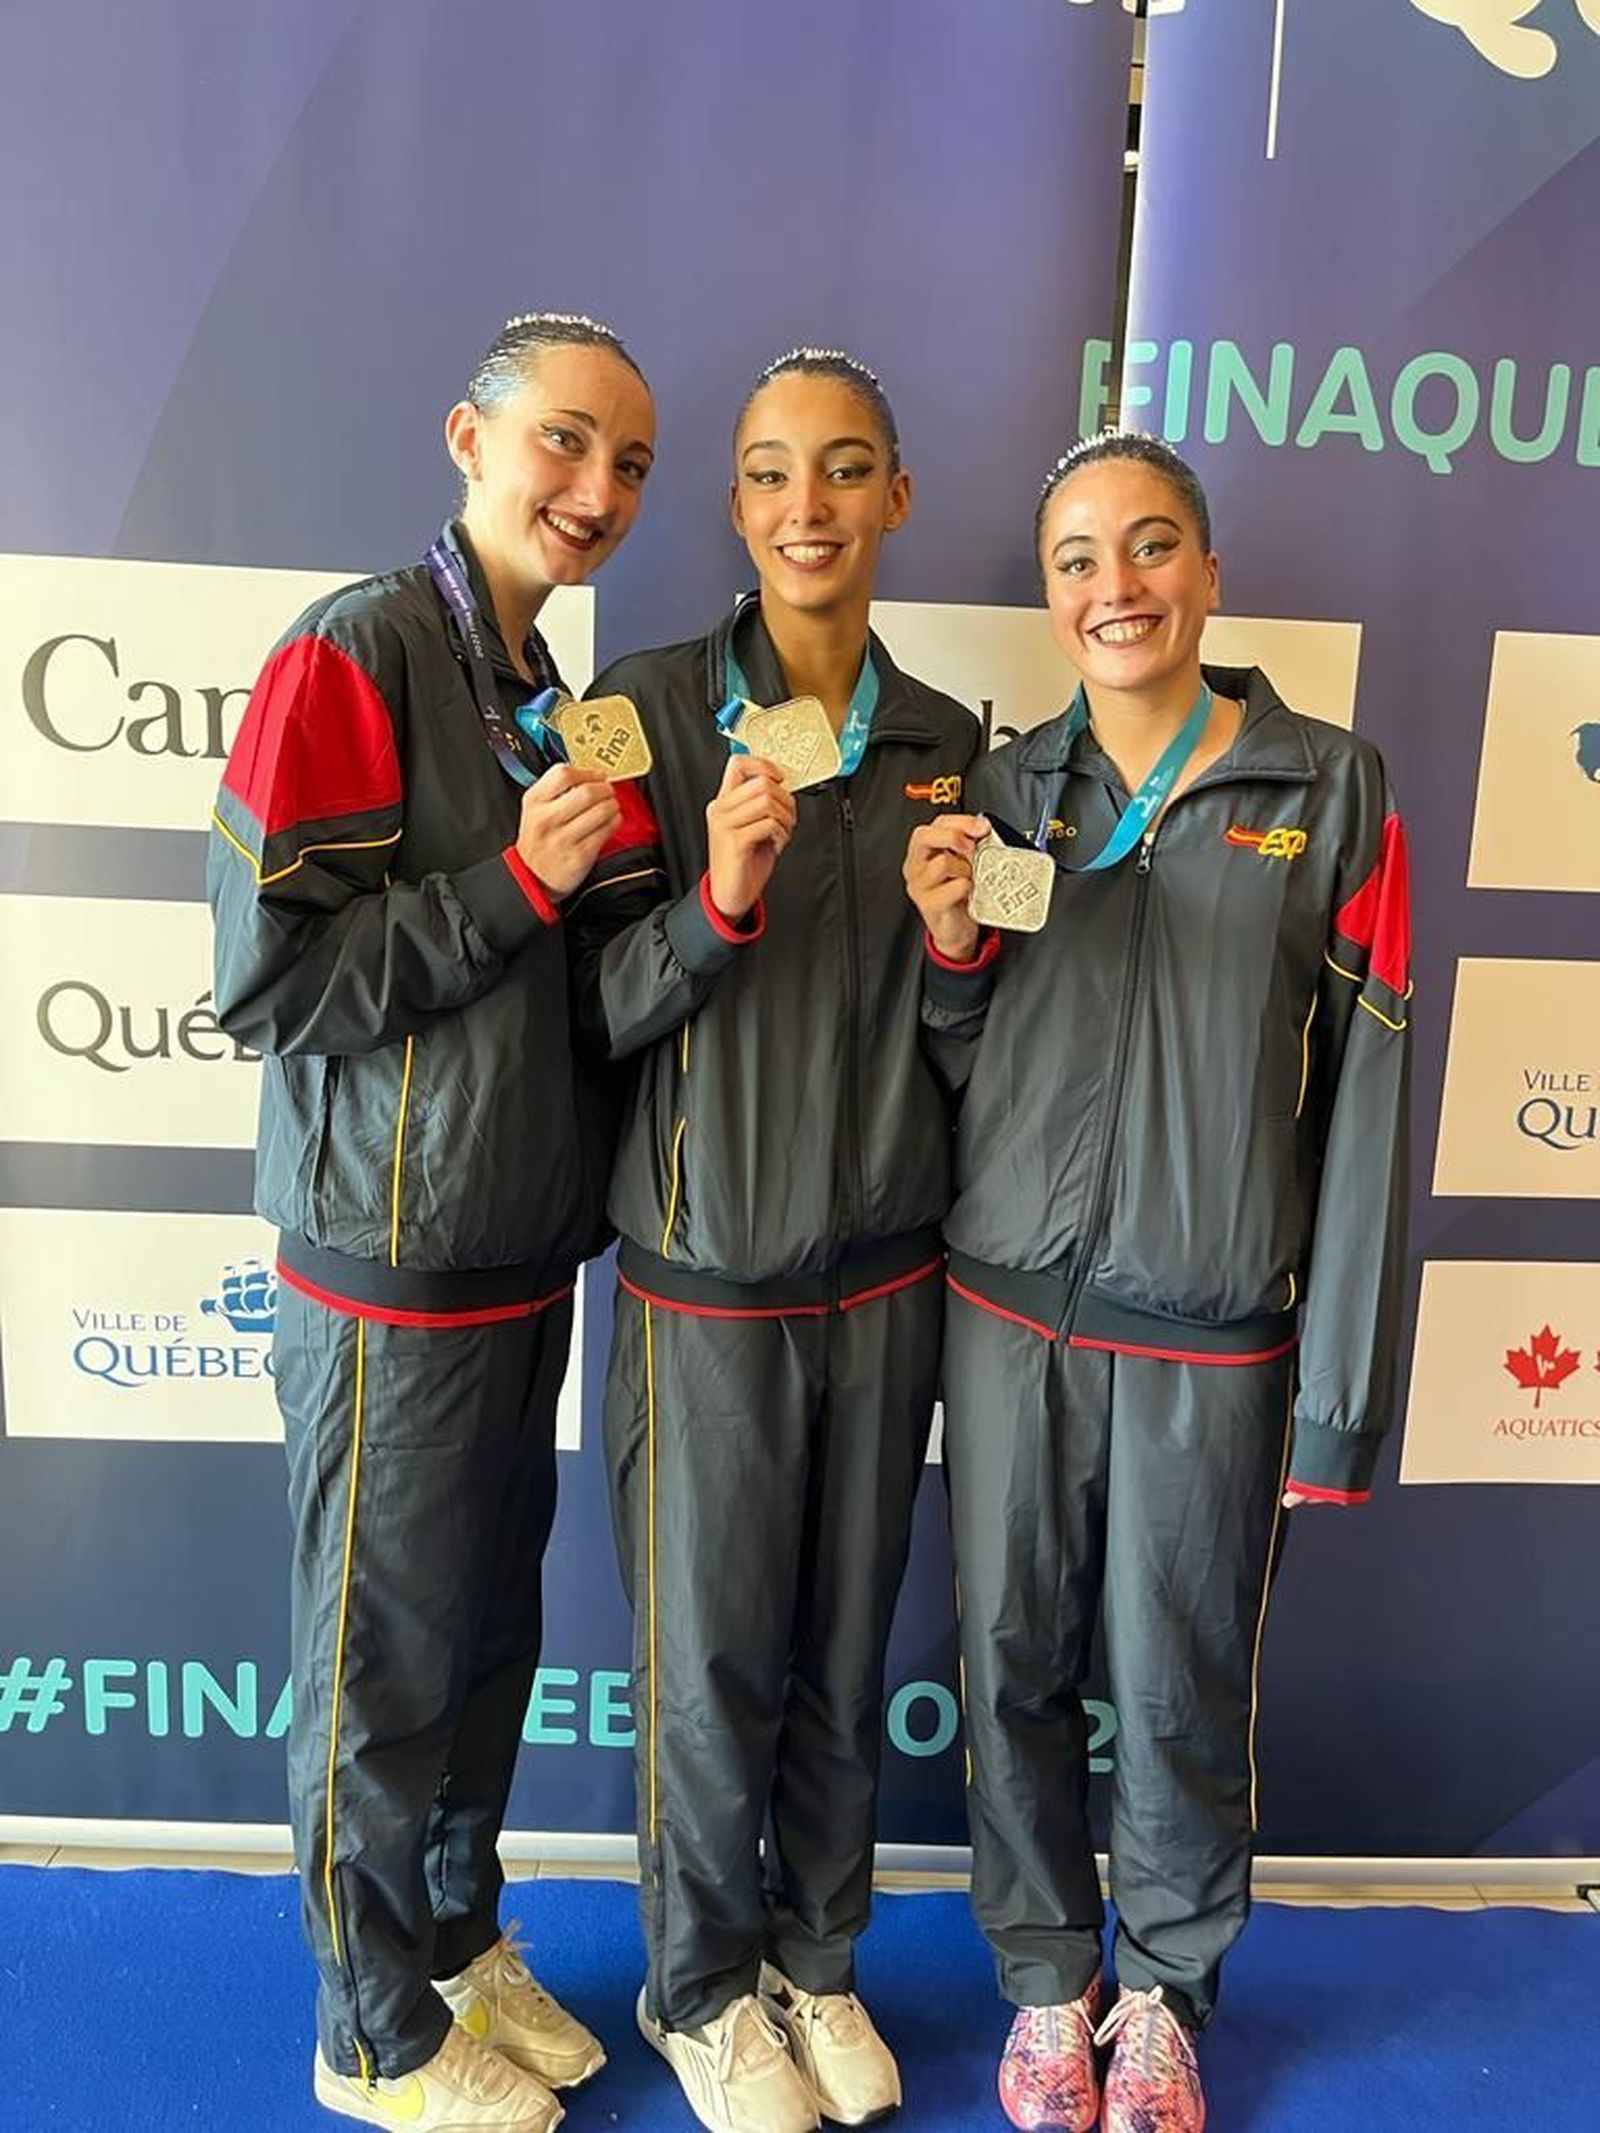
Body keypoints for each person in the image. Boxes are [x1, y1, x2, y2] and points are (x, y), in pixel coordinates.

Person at [904, 430, 1411, 2133]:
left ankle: (1170, 1996)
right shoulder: (1000, 792)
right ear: (1048, 593)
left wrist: (1332, 1394)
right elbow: (956, 1056)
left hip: (1211, 1334)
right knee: (1011, 1659)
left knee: (1182, 1683)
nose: (1110, 586)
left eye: (1146, 550)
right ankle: (1053, 1986)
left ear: (1205, 572)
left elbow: (1368, 1109)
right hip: (1005, 1316)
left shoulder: (1330, 789)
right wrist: (957, 955)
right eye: (1073, 560)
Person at [208, 312, 659, 2133]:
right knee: (377, 1666)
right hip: (386, 1268)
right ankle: (370, 2027)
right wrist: (513, 885)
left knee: (481, 1647)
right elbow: (268, 980)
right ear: (467, 437)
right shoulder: (354, 649)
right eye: (565, 443)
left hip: (511, 1255)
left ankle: (456, 1940)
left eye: (628, 462)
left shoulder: (542, 682)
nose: (598, 488)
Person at [569, 348, 981, 2133]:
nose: (805, 506)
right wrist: (718, 904)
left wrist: (967, 955)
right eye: (766, 475)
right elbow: (576, 1010)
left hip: (885, 1275)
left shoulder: (949, 741)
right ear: (734, 509)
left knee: (840, 1642)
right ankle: (698, 1986)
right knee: (709, 1657)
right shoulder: (633, 712)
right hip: (700, 1281)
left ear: (897, 496)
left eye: (844, 470)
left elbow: (972, 1035)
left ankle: (815, 1957)